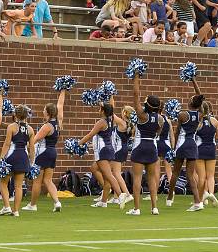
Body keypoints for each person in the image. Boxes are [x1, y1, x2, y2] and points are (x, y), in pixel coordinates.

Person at [126, 72, 165, 215]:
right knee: (152, 179)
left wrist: (136, 76)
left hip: (140, 147)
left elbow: (135, 95)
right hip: (152, 148)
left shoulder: (142, 116)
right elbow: (158, 133)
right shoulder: (161, 119)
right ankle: (154, 207)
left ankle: (136, 209)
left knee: (137, 178)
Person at [80, 102, 127, 209]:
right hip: (109, 149)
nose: (98, 110)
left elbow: (90, 134)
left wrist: (79, 143)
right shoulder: (110, 120)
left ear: (103, 111)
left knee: (109, 175)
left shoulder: (101, 122)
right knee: (106, 177)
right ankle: (103, 201)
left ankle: (121, 195)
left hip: (103, 151)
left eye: (100, 108)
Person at [167, 80, 205, 211]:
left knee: (175, 172)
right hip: (193, 145)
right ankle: (197, 202)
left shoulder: (183, 115)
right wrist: (194, 80)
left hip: (182, 145)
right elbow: (200, 98)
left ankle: (170, 196)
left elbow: (177, 132)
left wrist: (173, 148)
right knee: (190, 174)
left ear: (190, 103)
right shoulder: (200, 115)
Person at [0, 105, 35, 217]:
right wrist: (32, 162)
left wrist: (1, 158)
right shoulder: (30, 129)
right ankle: (16, 211)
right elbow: (31, 148)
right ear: (26, 115)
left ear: (15, 115)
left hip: (11, 156)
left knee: (3, 182)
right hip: (23, 157)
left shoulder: (12, 127)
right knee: (18, 186)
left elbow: (7, 144)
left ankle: (7, 207)